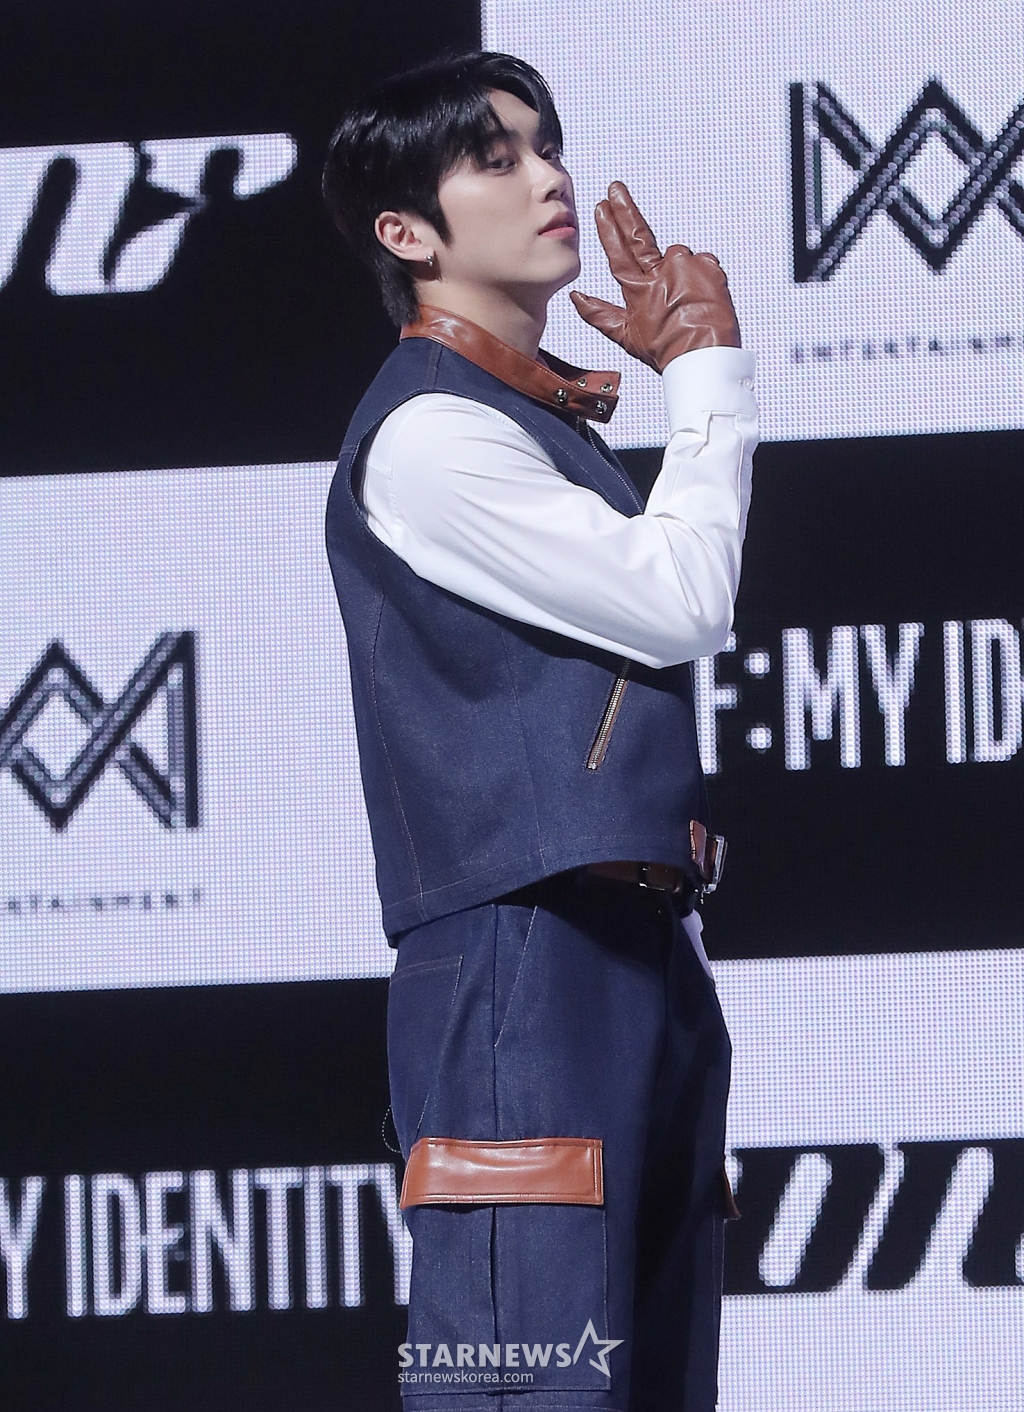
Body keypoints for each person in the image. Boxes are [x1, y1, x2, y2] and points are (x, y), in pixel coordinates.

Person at [322, 51, 757, 1412]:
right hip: (523, 963)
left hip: (629, 948)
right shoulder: (429, 435)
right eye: (496, 157)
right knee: (529, 1387)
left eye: (548, 145)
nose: (548, 177)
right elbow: (683, 598)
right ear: (408, 234)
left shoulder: (523, 418)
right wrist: (709, 379)